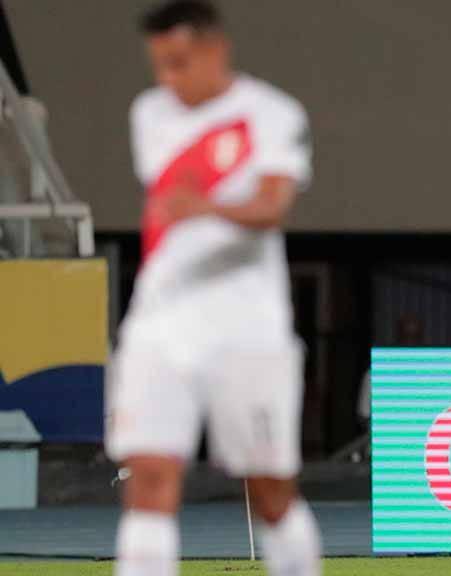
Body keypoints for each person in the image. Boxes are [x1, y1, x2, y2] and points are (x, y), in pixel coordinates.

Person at [105, 2, 320, 575]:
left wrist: (206, 205)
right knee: (148, 475)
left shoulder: (273, 114)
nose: (167, 79)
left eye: (179, 62)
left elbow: (272, 206)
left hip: (248, 325)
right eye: (159, 65)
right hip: (160, 320)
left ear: (215, 49)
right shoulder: (150, 113)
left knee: (270, 487)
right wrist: (213, 205)